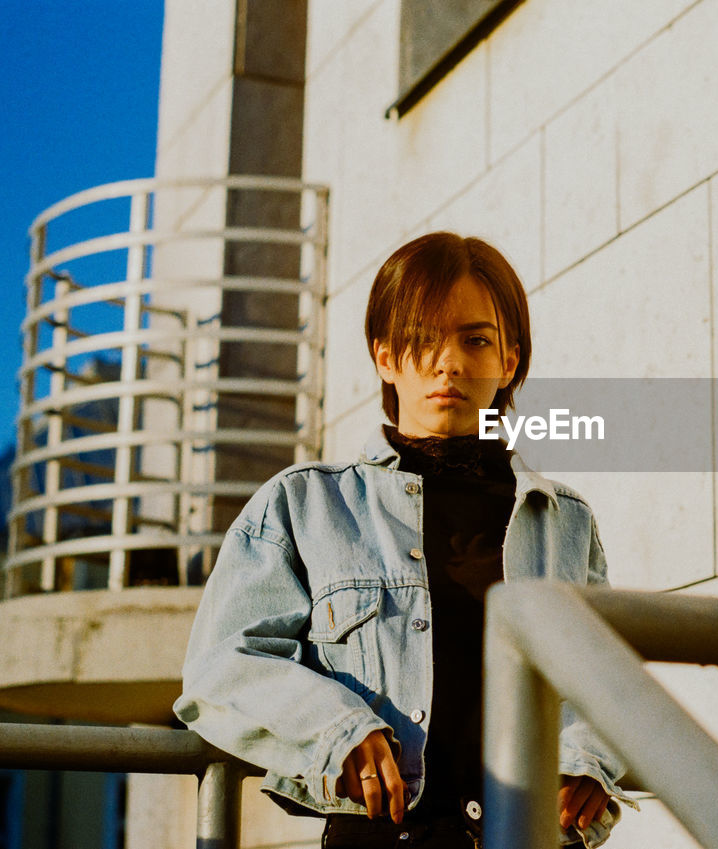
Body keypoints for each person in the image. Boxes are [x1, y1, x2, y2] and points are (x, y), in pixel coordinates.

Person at [174, 232, 631, 849]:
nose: (449, 362)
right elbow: (221, 665)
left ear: (510, 361)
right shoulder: (307, 505)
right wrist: (335, 731)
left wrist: (585, 764)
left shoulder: (563, 520)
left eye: (475, 340)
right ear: (385, 356)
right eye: (423, 338)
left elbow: (609, 683)